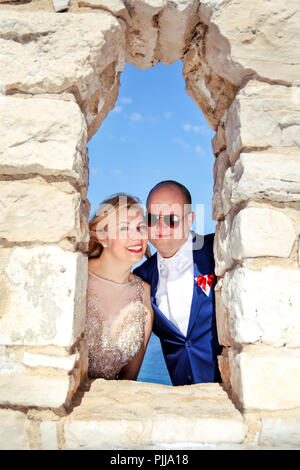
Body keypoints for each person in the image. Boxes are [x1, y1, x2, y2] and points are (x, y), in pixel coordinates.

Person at [134, 180, 222, 386]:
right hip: (184, 402)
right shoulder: (141, 278)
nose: (160, 227)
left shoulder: (217, 250)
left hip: (233, 395)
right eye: (152, 218)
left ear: (190, 219)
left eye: (171, 219)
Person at [85, 193, 153, 381]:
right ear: (103, 237)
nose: (137, 236)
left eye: (141, 227)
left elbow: (128, 381)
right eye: (124, 228)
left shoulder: (143, 293)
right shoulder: (77, 278)